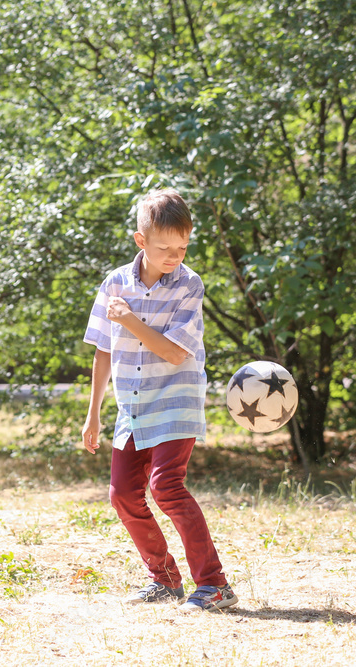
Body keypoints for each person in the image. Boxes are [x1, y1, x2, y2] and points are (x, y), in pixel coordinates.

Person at [80, 188, 237, 612]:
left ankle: (214, 584)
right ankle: (165, 580)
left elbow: (173, 351)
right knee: (122, 494)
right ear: (140, 241)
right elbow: (103, 349)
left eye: (183, 247)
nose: (175, 255)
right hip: (132, 405)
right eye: (165, 247)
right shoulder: (114, 283)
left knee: (165, 486)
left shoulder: (190, 284)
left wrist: (129, 318)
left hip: (176, 400)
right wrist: (93, 413)